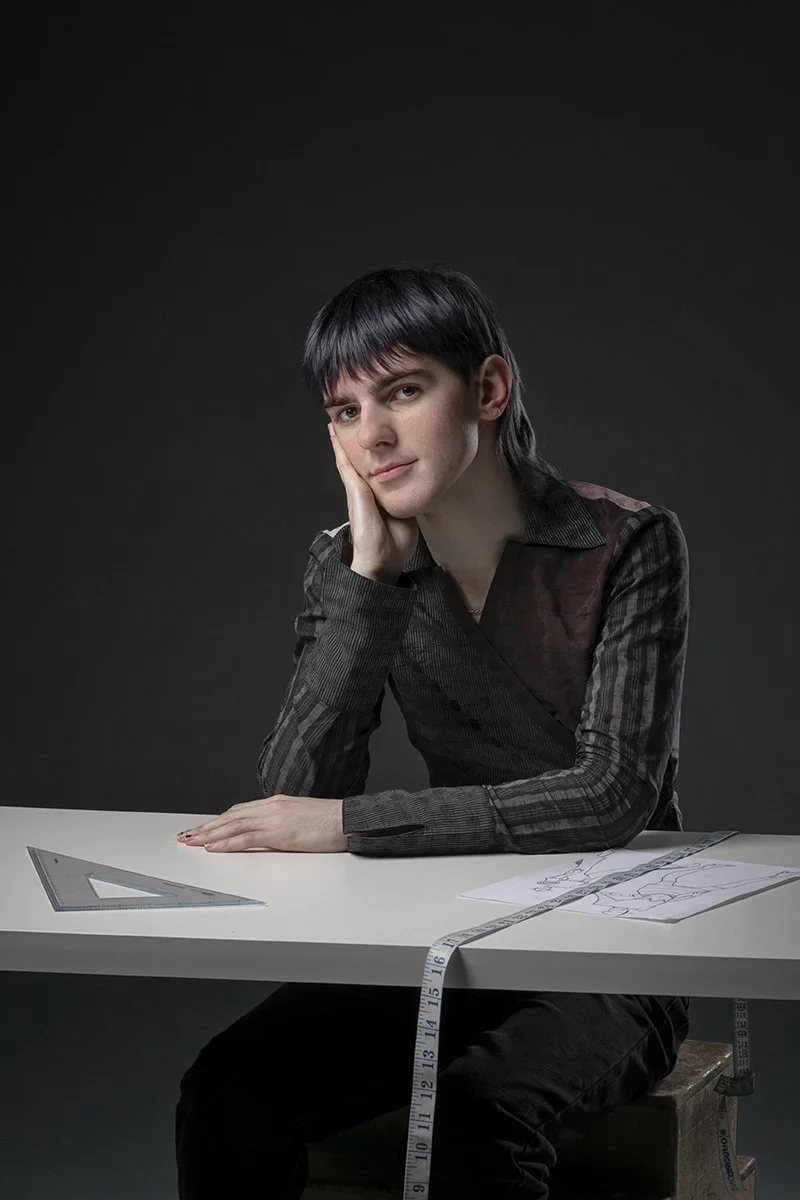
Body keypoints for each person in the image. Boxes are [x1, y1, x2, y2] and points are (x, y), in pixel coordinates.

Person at [174, 264, 691, 1198]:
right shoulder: (347, 566)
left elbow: (616, 793)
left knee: (476, 1117)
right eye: (342, 411)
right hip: (451, 938)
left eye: (403, 392)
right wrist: (368, 584)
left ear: (487, 390)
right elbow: (294, 791)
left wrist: (356, 827)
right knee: (227, 1091)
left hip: (619, 953)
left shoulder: (629, 541)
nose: (371, 435)